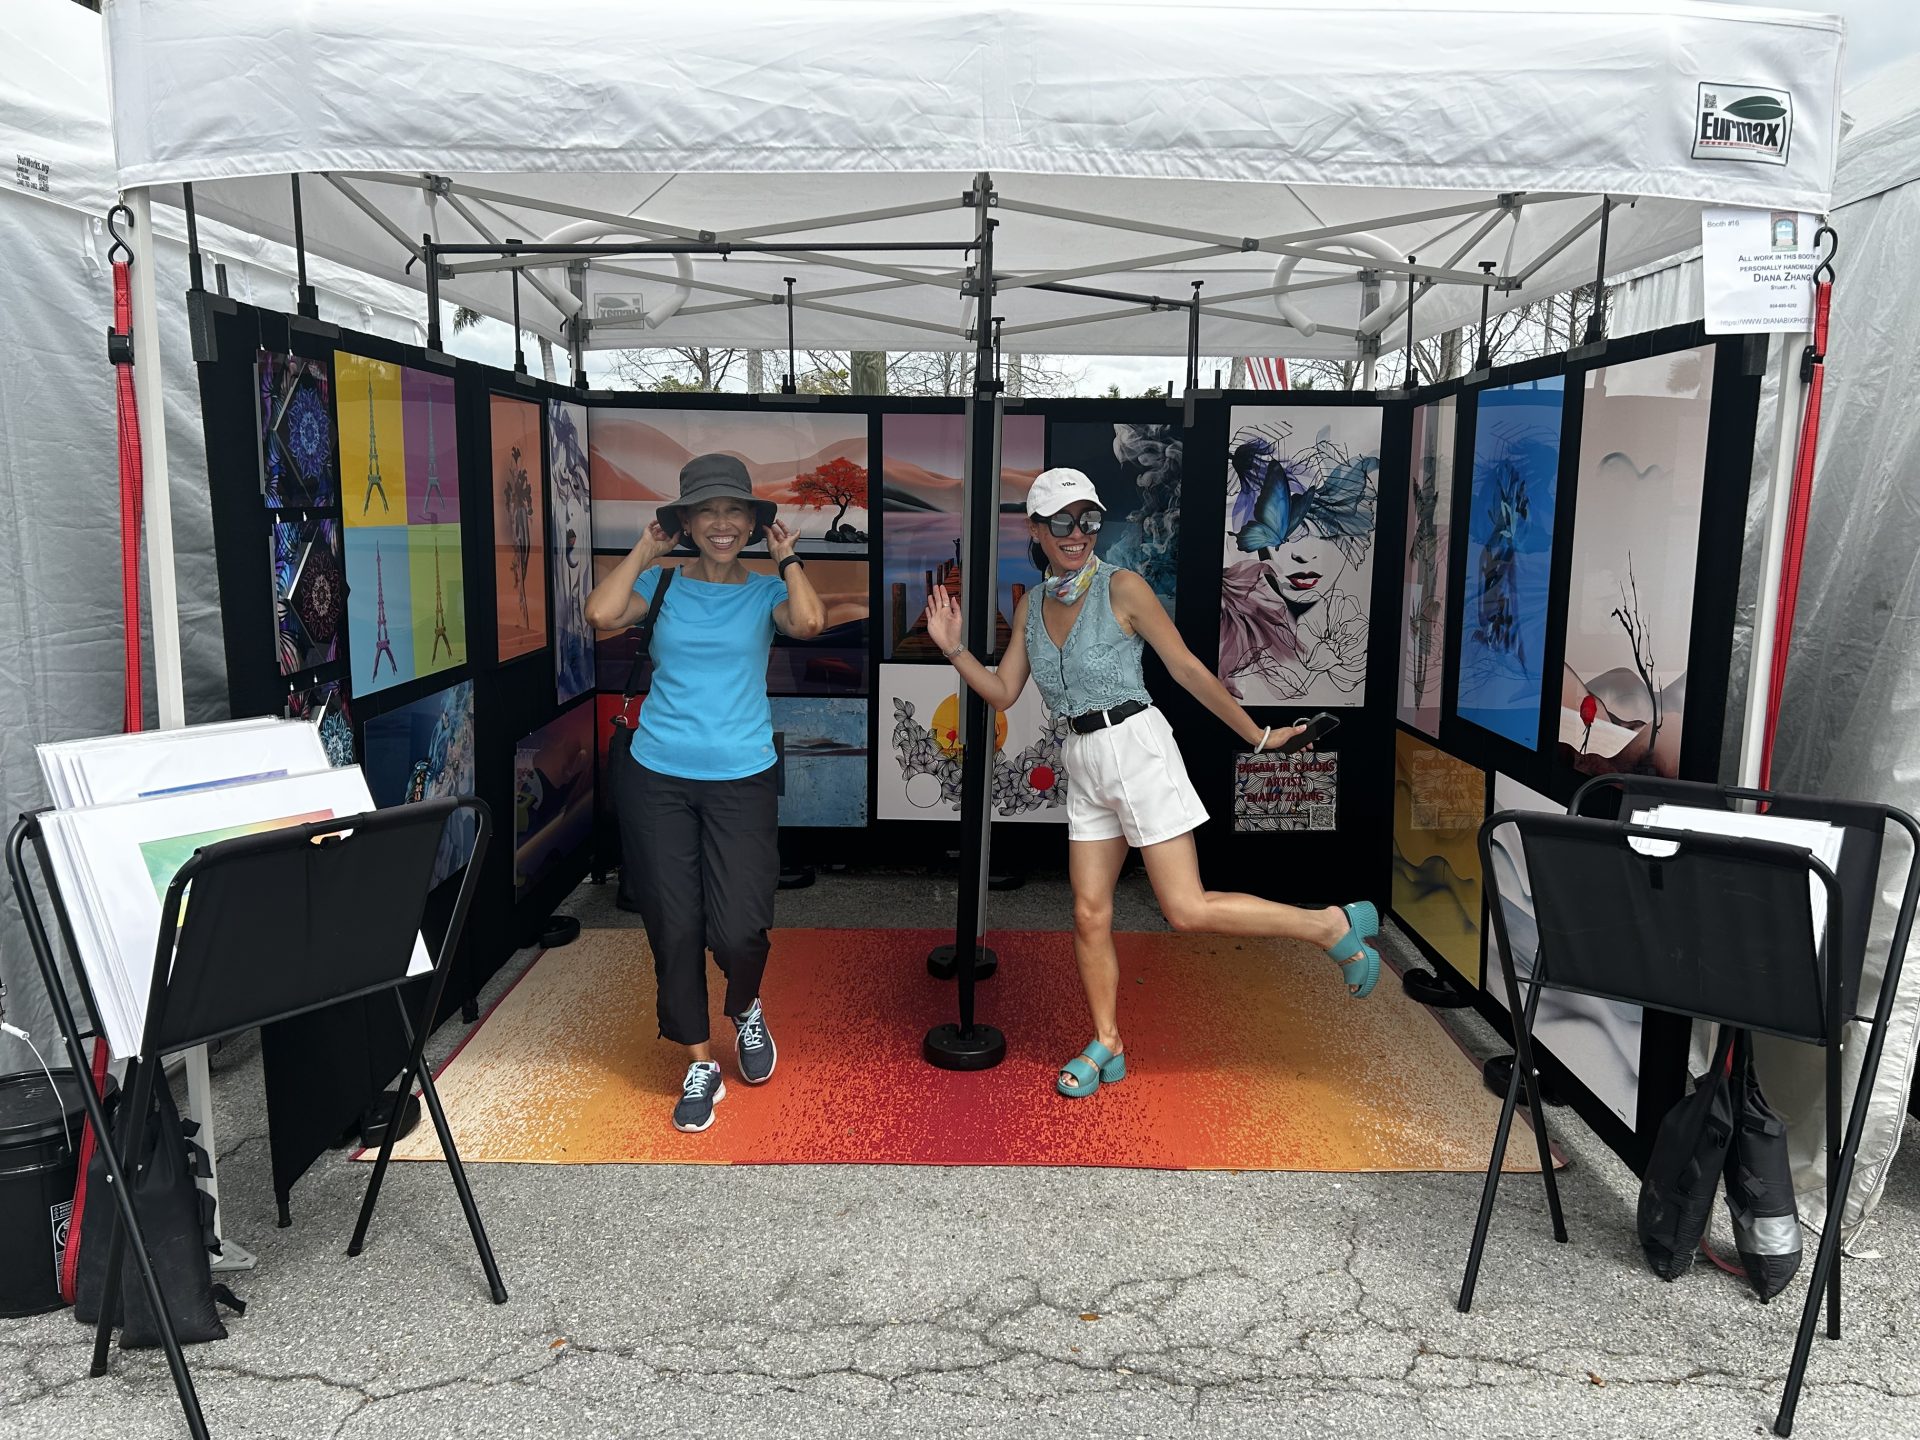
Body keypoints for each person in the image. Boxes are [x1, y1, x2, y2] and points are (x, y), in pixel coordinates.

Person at [924, 467, 1382, 1100]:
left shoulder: (1123, 586)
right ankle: (1107, 1041)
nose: (1079, 533)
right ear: (1036, 529)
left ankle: (1328, 926)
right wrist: (954, 650)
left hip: (1136, 747)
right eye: (1063, 522)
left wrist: (1259, 736)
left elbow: (1188, 669)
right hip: (1083, 757)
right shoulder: (1031, 606)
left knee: (1186, 910)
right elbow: (1003, 693)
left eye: (1089, 519)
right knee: (1088, 913)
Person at [585, 454, 825, 1132]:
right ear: (686, 522)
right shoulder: (660, 585)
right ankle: (699, 1060)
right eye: (707, 511)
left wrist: (788, 558)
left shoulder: (765, 593)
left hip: (743, 776)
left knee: (740, 927)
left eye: (735, 511)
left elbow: (810, 622)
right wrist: (645, 549)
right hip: (658, 776)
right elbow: (600, 613)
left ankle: (745, 1005)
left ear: (752, 523)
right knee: (674, 923)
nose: (722, 523)